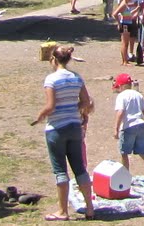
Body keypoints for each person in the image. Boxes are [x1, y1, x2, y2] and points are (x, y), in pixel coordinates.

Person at [30, 44, 95, 222]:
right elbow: (86, 102)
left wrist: (41, 115)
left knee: (60, 171)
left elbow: (50, 106)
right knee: (79, 168)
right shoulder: (76, 77)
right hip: (74, 126)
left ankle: (62, 210)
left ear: (53, 59)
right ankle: (90, 207)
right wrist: (74, 108)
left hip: (56, 128)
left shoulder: (51, 79)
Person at [110, 73, 144, 182]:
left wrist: (116, 128)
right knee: (143, 151)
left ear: (121, 86)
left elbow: (120, 112)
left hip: (128, 126)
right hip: (140, 124)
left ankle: (126, 176)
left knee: (124, 153)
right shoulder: (138, 95)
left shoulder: (121, 96)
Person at [114, 0, 142, 66]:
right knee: (125, 43)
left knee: (125, 42)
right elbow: (115, 14)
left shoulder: (126, 4)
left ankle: (125, 60)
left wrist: (136, 10)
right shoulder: (123, 4)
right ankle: (124, 61)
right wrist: (119, 23)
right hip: (125, 24)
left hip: (128, 22)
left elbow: (128, 13)